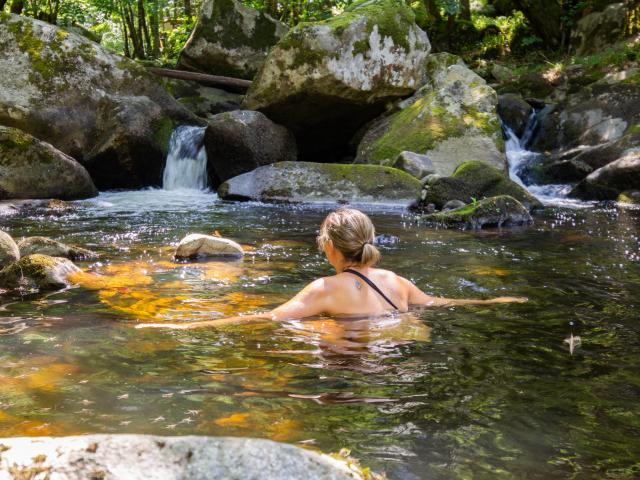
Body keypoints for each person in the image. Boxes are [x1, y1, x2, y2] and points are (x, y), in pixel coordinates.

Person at [137, 208, 526, 330]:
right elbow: (440, 303)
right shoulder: (396, 281)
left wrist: (185, 326)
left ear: (327, 246)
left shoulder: (323, 288)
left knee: (314, 334)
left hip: (348, 366)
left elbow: (265, 317)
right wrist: (493, 300)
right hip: (397, 352)